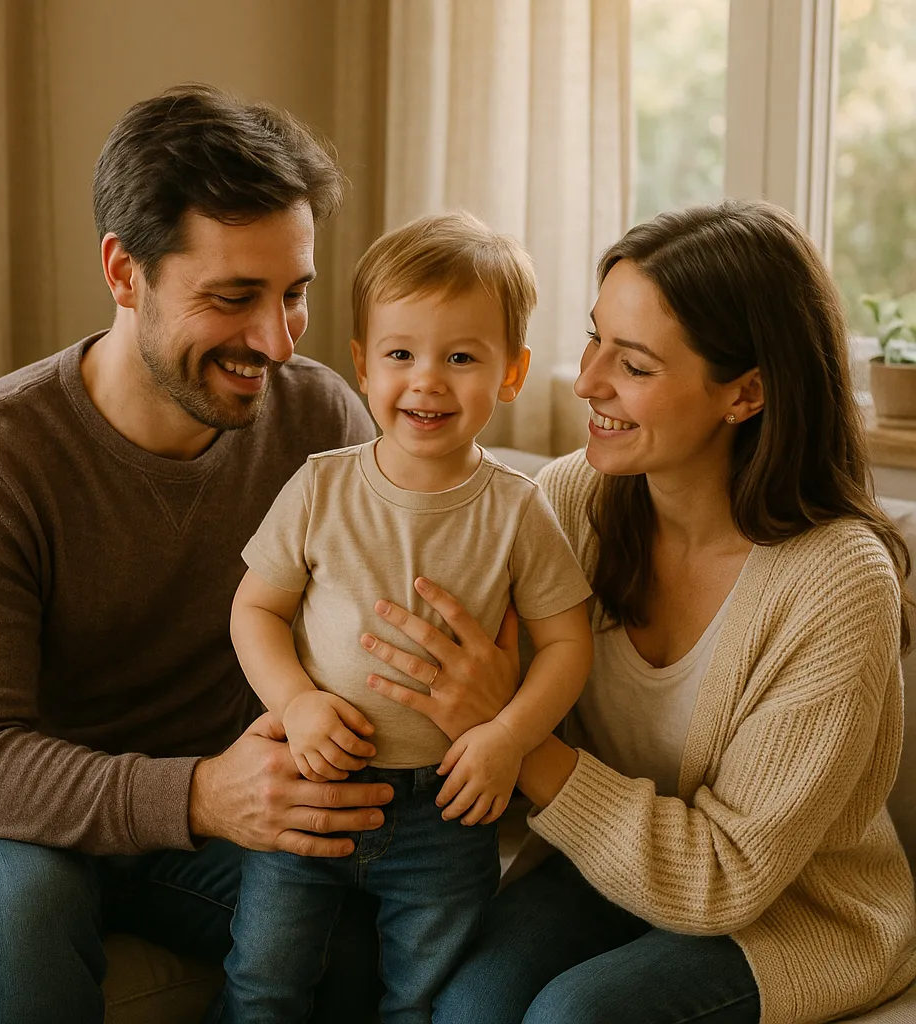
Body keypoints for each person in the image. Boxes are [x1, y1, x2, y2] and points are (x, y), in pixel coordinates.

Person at [0, 83, 407, 1024]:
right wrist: (204, 795)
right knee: (24, 913)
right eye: (232, 298)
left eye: (294, 294)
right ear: (124, 272)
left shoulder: (319, 415)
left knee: (350, 937)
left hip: (202, 793)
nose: (276, 340)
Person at [357, 199, 916, 1023]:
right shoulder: (571, 500)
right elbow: (447, 688)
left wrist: (517, 739)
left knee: (573, 1017)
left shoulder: (837, 583)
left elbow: (726, 879)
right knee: (463, 1002)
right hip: (601, 870)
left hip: (785, 915)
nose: (587, 382)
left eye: (636, 365)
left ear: (746, 393)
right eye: (594, 338)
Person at [215, 211, 594, 1023]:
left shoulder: (519, 511)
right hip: (311, 784)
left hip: (445, 811)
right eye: (401, 354)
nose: (427, 380)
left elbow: (567, 644)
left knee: (419, 1000)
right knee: (264, 985)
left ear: (513, 372)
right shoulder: (320, 486)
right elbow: (256, 609)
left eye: (461, 357)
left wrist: (508, 736)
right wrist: (296, 701)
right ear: (362, 365)